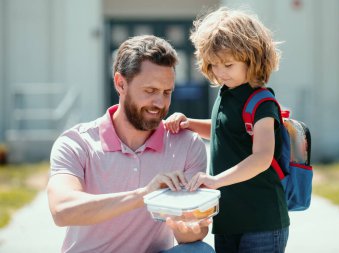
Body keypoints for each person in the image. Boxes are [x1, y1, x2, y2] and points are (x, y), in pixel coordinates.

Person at [47, 35, 215, 253]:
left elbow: (190, 235)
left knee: (198, 251)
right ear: (120, 83)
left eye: (167, 92)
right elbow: (62, 210)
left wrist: (189, 226)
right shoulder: (78, 142)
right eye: (150, 91)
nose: (160, 103)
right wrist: (145, 194)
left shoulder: (187, 144)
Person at [164, 7, 289, 253]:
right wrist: (190, 123)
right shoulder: (226, 93)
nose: (220, 73)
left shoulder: (262, 102)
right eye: (214, 65)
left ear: (253, 57)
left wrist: (215, 181)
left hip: (261, 221)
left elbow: (262, 157)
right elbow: (225, 130)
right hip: (228, 220)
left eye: (228, 65)